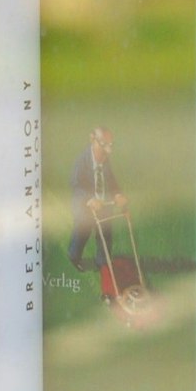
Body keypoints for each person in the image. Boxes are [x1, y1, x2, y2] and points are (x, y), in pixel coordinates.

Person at [67, 126, 125, 302]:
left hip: (104, 208)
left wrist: (117, 194)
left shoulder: (105, 159)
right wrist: (90, 199)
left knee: (105, 240)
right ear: (92, 139)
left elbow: (111, 180)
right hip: (86, 208)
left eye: (111, 145)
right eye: (104, 144)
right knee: (81, 236)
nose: (108, 149)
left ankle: (103, 265)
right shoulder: (81, 161)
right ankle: (74, 256)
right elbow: (75, 185)